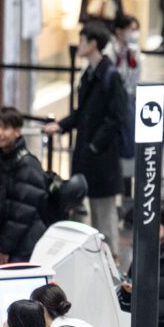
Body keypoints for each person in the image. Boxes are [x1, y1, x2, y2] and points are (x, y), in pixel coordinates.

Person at [45, 24, 128, 249]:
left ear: (92, 44)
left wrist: (94, 145)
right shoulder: (89, 75)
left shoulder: (109, 75)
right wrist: (61, 125)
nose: (78, 45)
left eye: (82, 40)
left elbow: (116, 116)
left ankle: (111, 258)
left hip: (101, 156)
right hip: (89, 154)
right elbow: (82, 113)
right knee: (88, 208)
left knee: (104, 212)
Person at [0, 107, 48, 264]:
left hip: (24, 247)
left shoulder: (27, 165)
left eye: (5, 128)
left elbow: (22, 214)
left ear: (17, 131)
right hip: (7, 245)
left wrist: (4, 249)